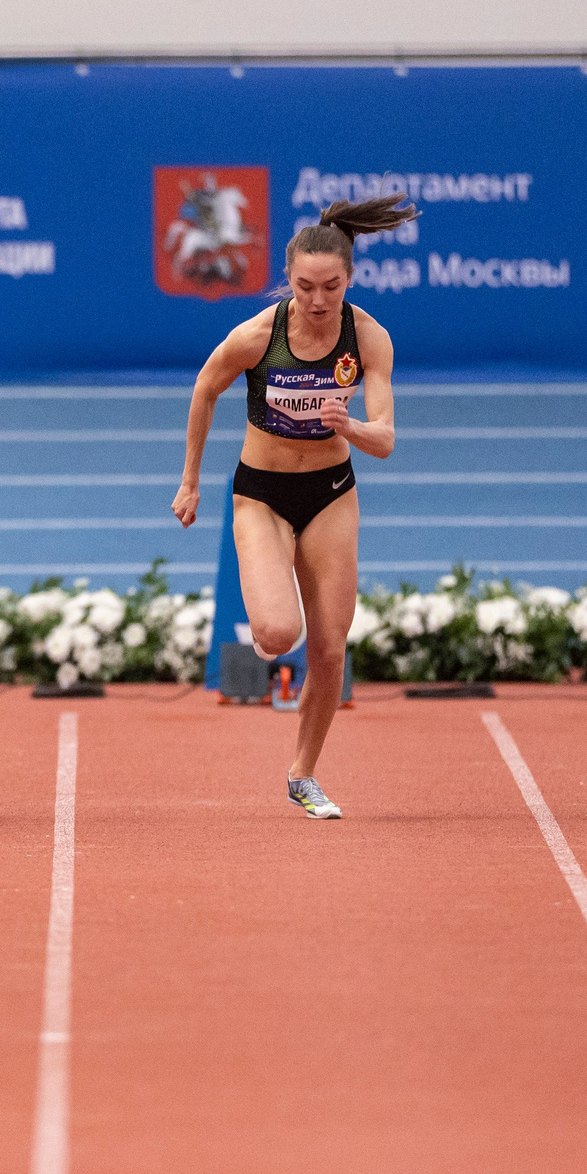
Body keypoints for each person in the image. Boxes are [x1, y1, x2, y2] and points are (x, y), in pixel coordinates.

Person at [173, 196, 413, 820]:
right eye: (304, 286)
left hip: (333, 493)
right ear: (288, 280)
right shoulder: (258, 335)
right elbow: (204, 389)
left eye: (330, 286)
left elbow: (385, 439)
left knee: (330, 648)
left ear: (349, 280)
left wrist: (350, 426)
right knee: (279, 635)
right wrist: (190, 481)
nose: (317, 299)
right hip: (263, 494)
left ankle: (303, 773)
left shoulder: (369, 337)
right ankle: (270, 618)